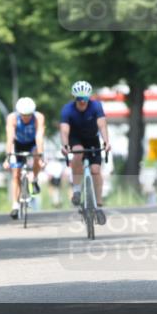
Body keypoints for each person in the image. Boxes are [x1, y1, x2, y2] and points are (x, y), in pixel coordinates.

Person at [59, 80, 111, 224]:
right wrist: (64, 145)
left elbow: (102, 125)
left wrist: (106, 142)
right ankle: (76, 190)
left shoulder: (96, 106)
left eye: (85, 99)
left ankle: (98, 204)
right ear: (74, 98)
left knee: (95, 170)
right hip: (75, 139)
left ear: (89, 97)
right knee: (78, 151)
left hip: (92, 139)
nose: (82, 102)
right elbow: (64, 130)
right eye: (79, 99)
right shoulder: (67, 109)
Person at [3, 97, 46, 220]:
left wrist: (41, 156)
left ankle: (35, 179)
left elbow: (39, 137)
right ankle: (15, 205)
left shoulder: (39, 117)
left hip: (33, 143)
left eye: (28, 115)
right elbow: (10, 138)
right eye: (23, 115)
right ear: (18, 113)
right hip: (18, 143)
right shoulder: (12, 118)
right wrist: (7, 157)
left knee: (37, 155)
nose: (26, 117)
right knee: (16, 173)